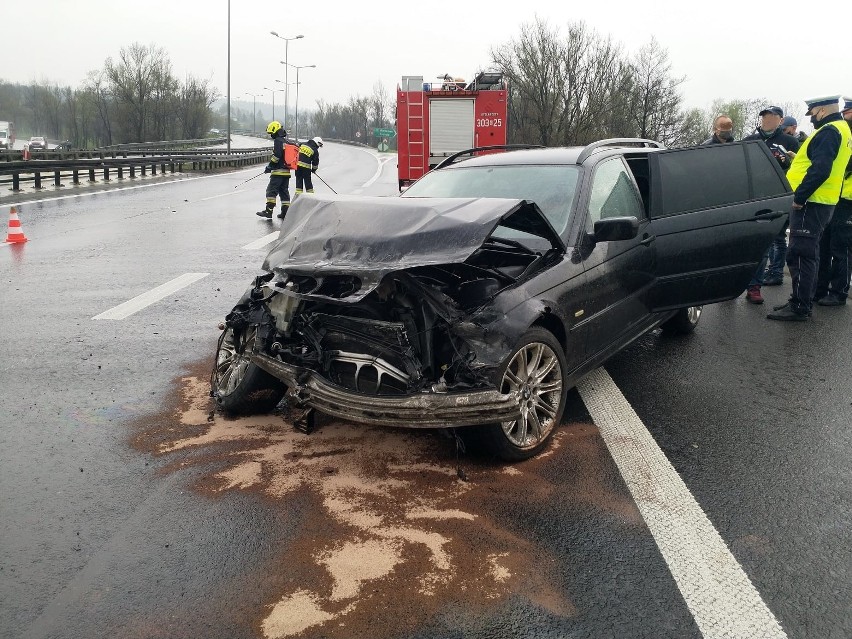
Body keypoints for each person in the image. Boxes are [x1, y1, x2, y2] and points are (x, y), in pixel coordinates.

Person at [767, 96, 852, 321]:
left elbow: (821, 169)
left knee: (800, 253)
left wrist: (800, 197)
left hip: (811, 202)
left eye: (813, 113)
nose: (812, 118)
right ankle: (802, 298)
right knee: (809, 252)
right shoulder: (841, 129)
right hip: (823, 201)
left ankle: (800, 305)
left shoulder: (829, 131)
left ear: (822, 111)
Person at [742, 106, 801, 300]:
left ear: (780, 120)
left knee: (766, 242)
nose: (766, 120)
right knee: (743, 242)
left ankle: (754, 287)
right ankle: (735, 284)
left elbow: (800, 168)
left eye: (771, 117)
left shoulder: (790, 141)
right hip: (749, 197)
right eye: (764, 117)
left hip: (776, 198)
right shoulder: (749, 141)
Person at [813, 97, 852, 306]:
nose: (845, 115)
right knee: (824, 245)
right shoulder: (844, 134)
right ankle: (820, 289)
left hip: (848, 200)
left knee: (841, 248)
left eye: (849, 112)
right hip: (833, 197)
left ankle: (839, 292)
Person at [256, 121, 291, 219]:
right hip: (286, 172)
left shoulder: (278, 141)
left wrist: (270, 166)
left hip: (278, 172)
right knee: (284, 192)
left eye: (271, 133)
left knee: (271, 191)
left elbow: (277, 156)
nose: (271, 135)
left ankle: (268, 211)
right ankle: (285, 212)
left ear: (275, 131)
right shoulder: (285, 141)